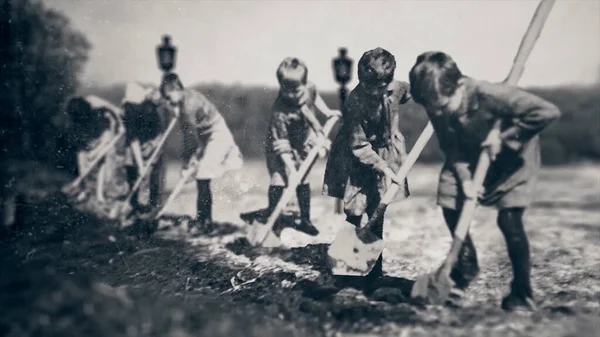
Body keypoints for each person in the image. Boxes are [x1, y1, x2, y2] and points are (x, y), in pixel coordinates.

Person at [408, 51, 561, 311]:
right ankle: (464, 266)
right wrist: (466, 181)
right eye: (432, 108)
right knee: (449, 195)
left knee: (509, 220)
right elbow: (451, 147)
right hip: (469, 157)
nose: (437, 112)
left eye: (443, 106)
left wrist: (506, 136)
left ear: (458, 86)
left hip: (514, 159)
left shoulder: (489, 95)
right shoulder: (436, 104)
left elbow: (547, 112)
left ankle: (522, 293)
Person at [323, 47, 412, 279]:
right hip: (358, 155)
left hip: (386, 151)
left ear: (389, 82)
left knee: (378, 207)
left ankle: (375, 270)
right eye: (368, 86)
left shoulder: (398, 88)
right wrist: (383, 168)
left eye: (379, 88)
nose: (373, 92)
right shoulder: (356, 101)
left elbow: (414, 93)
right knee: (355, 207)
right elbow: (359, 146)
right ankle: (346, 261)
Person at [241, 57, 342, 236]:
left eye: (295, 90)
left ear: (304, 84)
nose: (291, 95)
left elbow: (315, 96)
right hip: (278, 146)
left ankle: (305, 220)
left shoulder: (309, 88)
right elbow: (282, 145)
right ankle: (272, 218)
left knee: (302, 179)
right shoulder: (280, 112)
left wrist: (327, 112)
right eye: (285, 90)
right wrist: (291, 168)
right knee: (279, 179)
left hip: (302, 141)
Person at [160, 73, 243, 232]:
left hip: (216, 134)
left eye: (169, 97)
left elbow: (189, 138)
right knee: (201, 176)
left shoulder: (189, 105)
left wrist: (186, 164)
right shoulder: (184, 99)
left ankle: (205, 221)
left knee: (203, 174)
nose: (168, 101)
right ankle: (203, 219)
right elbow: (191, 134)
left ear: (177, 89)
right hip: (205, 136)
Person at [65, 95, 128, 207]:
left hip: (104, 136)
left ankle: (100, 195)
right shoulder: (75, 121)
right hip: (90, 139)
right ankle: (84, 190)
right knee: (82, 158)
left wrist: (97, 151)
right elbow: (80, 145)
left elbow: (107, 136)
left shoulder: (99, 111)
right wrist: (87, 152)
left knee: (102, 161)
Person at [121, 82, 170, 214]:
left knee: (153, 170)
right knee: (131, 166)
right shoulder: (129, 111)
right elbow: (133, 140)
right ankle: (133, 203)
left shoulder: (150, 109)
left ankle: (152, 205)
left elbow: (159, 132)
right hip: (137, 140)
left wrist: (153, 145)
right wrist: (140, 165)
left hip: (153, 138)